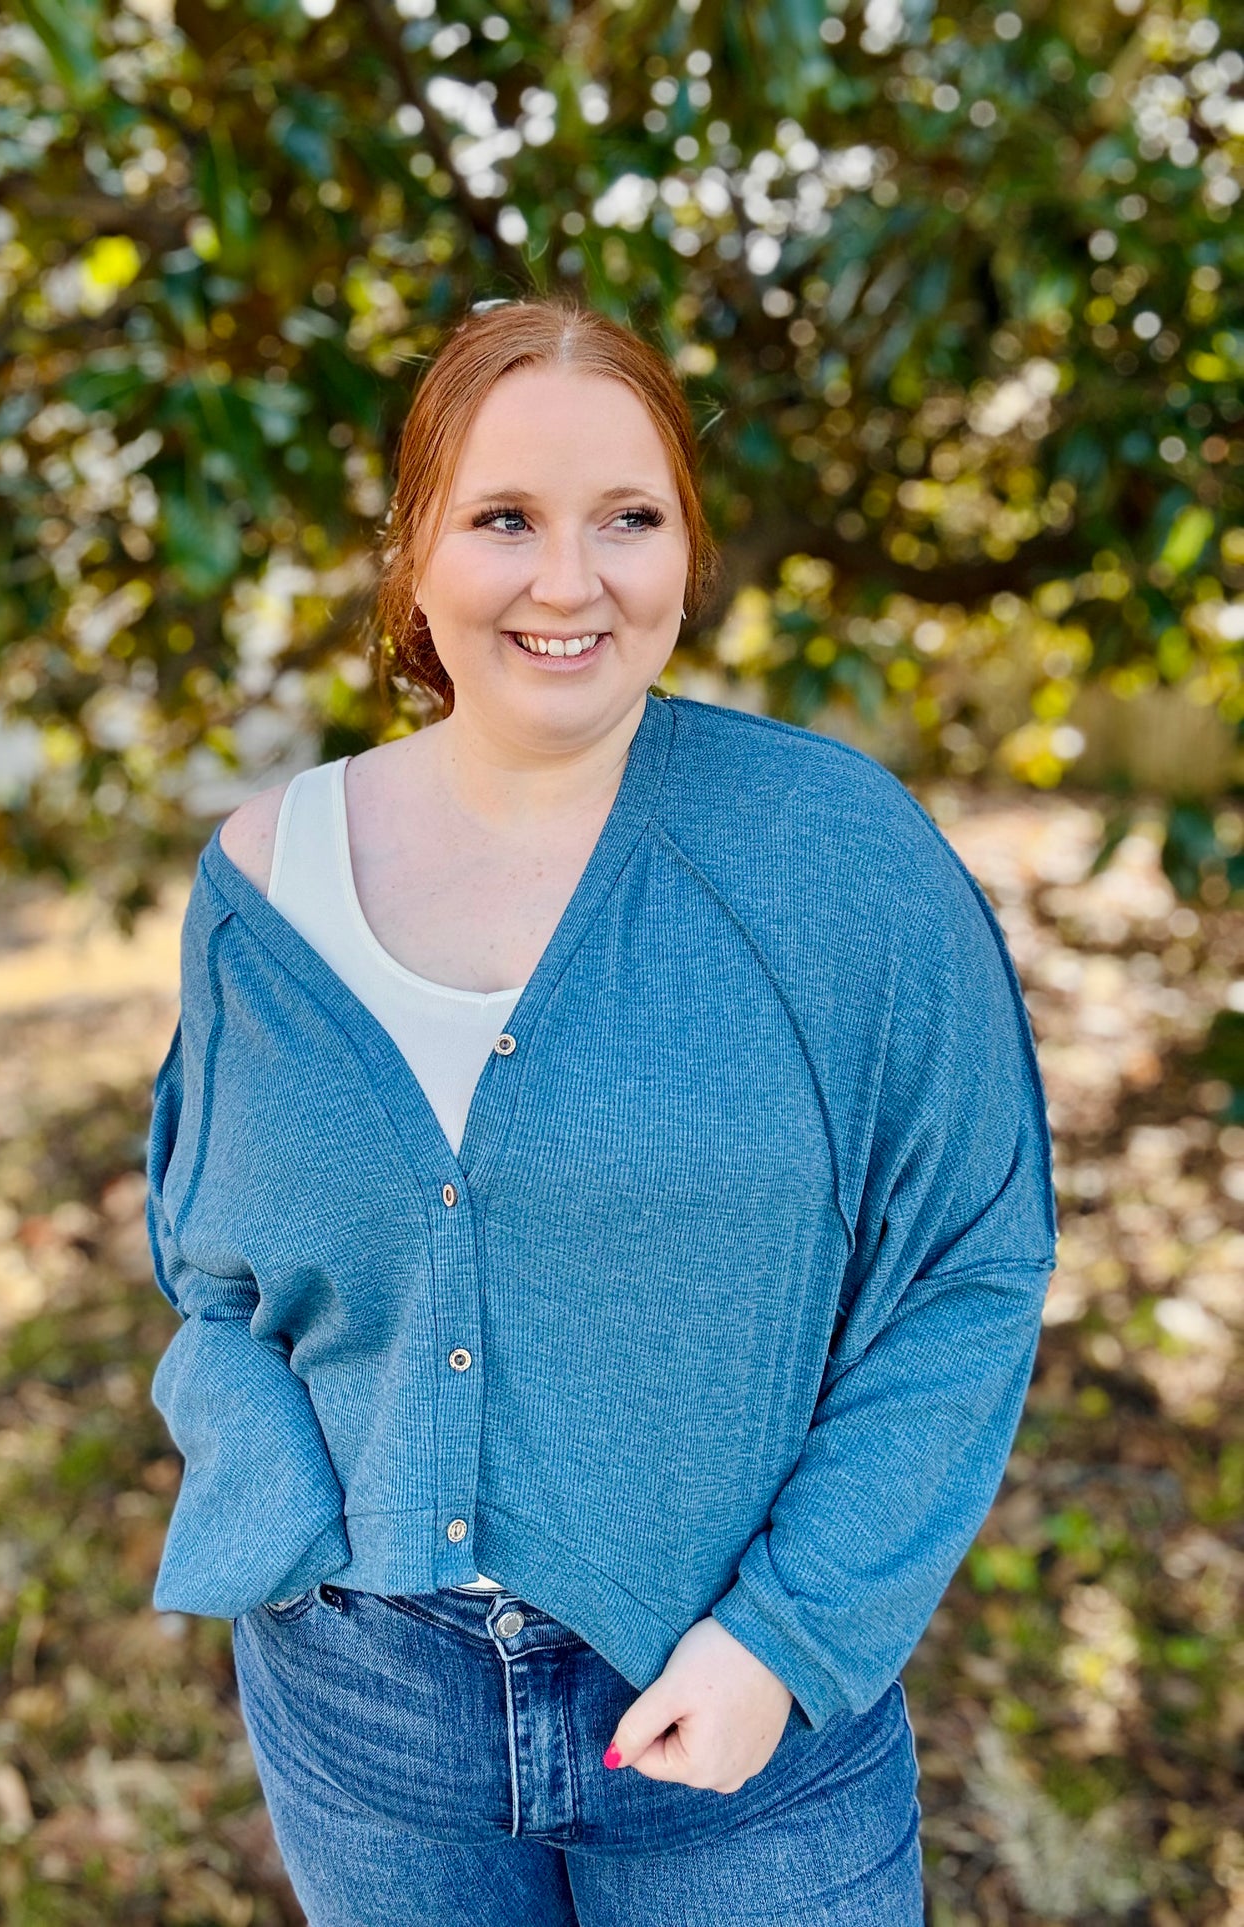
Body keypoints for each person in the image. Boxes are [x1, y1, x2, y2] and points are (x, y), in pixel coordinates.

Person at [143, 296, 1058, 1925]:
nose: (568, 582)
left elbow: (969, 1268)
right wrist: (281, 1509)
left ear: (685, 552)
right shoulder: (266, 882)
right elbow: (204, 1260)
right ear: (412, 552)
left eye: (625, 519)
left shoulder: (838, 859)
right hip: (367, 1714)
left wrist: (782, 1637)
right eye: (504, 520)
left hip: (737, 1728)